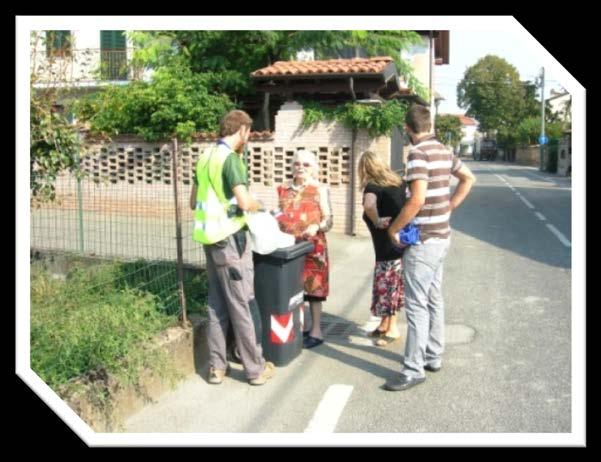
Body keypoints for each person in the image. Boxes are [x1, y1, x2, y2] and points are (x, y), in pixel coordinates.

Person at [384, 104, 476, 392]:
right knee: (434, 298)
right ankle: (434, 356)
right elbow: (468, 178)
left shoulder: (418, 154)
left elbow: (416, 199)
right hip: (443, 237)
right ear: (429, 124)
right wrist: (450, 207)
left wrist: (394, 228)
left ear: (408, 128)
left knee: (416, 305)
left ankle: (413, 369)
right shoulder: (444, 150)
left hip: (424, 243)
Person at [189, 109, 275, 386]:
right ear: (242, 131)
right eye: (248, 132)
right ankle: (255, 369)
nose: (248, 138)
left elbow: (194, 202)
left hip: (209, 240)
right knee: (241, 304)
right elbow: (244, 201)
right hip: (229, 240)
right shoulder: (231, 159)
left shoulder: (204, 158)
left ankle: (216, 368)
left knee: (216, 304)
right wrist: (260, 204)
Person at [275, 150, 333, 349]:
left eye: (306, 164)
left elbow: (329, 220)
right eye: (297, 163)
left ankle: (316, 331)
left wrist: (317, 226)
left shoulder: (319, 189)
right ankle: (298, 327)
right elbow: (280, 215)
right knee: (293, 290)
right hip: (289, 247)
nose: (300, 167)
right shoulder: (283, 189)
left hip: (313, 248)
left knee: (314, 291)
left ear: (314, 168)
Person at [358, 151, 407, 347]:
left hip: (387, 247)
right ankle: (385, 324)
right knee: (390, 285)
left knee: (389, 286)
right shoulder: (398, 183)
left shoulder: (373, 186)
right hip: (399, 243)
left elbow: (369, 205)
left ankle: (393, 329)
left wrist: (377, 220)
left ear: (365, 168)